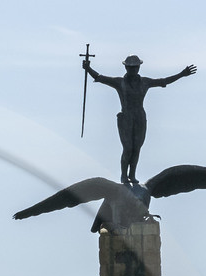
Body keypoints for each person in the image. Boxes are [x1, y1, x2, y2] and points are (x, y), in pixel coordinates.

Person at [83, 54, 198, 184]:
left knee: (137, 148)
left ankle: (132, 175)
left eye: (135, 67)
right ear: (126, 68)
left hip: (140, 118)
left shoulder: (145, 82)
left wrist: (182, 74)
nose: (133, 69)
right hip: (126, 117)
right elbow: (100, 78)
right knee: (128, 148)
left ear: (139, 67)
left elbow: (163, 81)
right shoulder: (119, 82)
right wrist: (88, 69)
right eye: (130, 67)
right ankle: (123, 175)